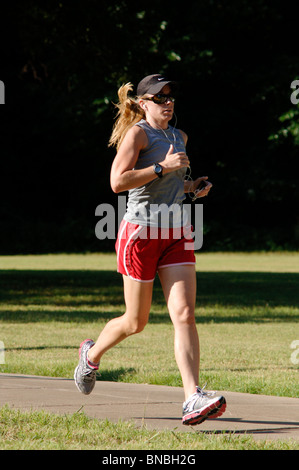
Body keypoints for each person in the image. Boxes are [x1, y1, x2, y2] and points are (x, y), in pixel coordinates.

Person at [74, 74, 226, 425]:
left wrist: (191, 186)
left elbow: (170, 184)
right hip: (140, 233)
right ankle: (91, 355)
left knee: (185, 314)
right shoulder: (138, 134)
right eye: (159, 98)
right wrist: (161, 167)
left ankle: (192, 397)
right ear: (143, 103)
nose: (168, 103)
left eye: (171, 97)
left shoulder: (179, 135)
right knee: (135, 322)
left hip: (176, 231)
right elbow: (117, 182)